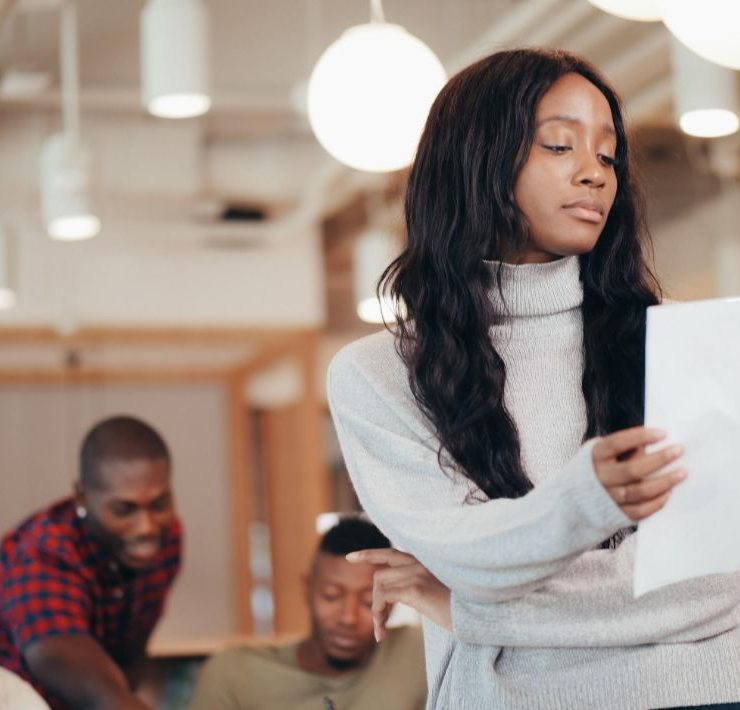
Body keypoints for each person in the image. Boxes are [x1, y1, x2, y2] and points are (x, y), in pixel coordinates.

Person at [327, 48, 740, 710]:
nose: (594, 175)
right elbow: (471, 560)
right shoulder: (379, 376)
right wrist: (585, 499)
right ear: (478, 158)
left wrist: (467, 609)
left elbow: (719, 587)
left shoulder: (686, 344)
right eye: (558, 145)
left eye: (608, 156)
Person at [0, 415, 181, 710]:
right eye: (124, 510)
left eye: (159, 504)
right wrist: (118, 699)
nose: (146, 527)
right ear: (82, 496)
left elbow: (132, 651)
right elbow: (64, 657)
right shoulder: (43, 554)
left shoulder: (170, 537)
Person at [190, 516, 426, 710]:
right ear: (307, 589)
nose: (348, 618)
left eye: (368, 602)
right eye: (331, 596)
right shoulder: (235, 675)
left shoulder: (419, 652)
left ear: (392, 602)